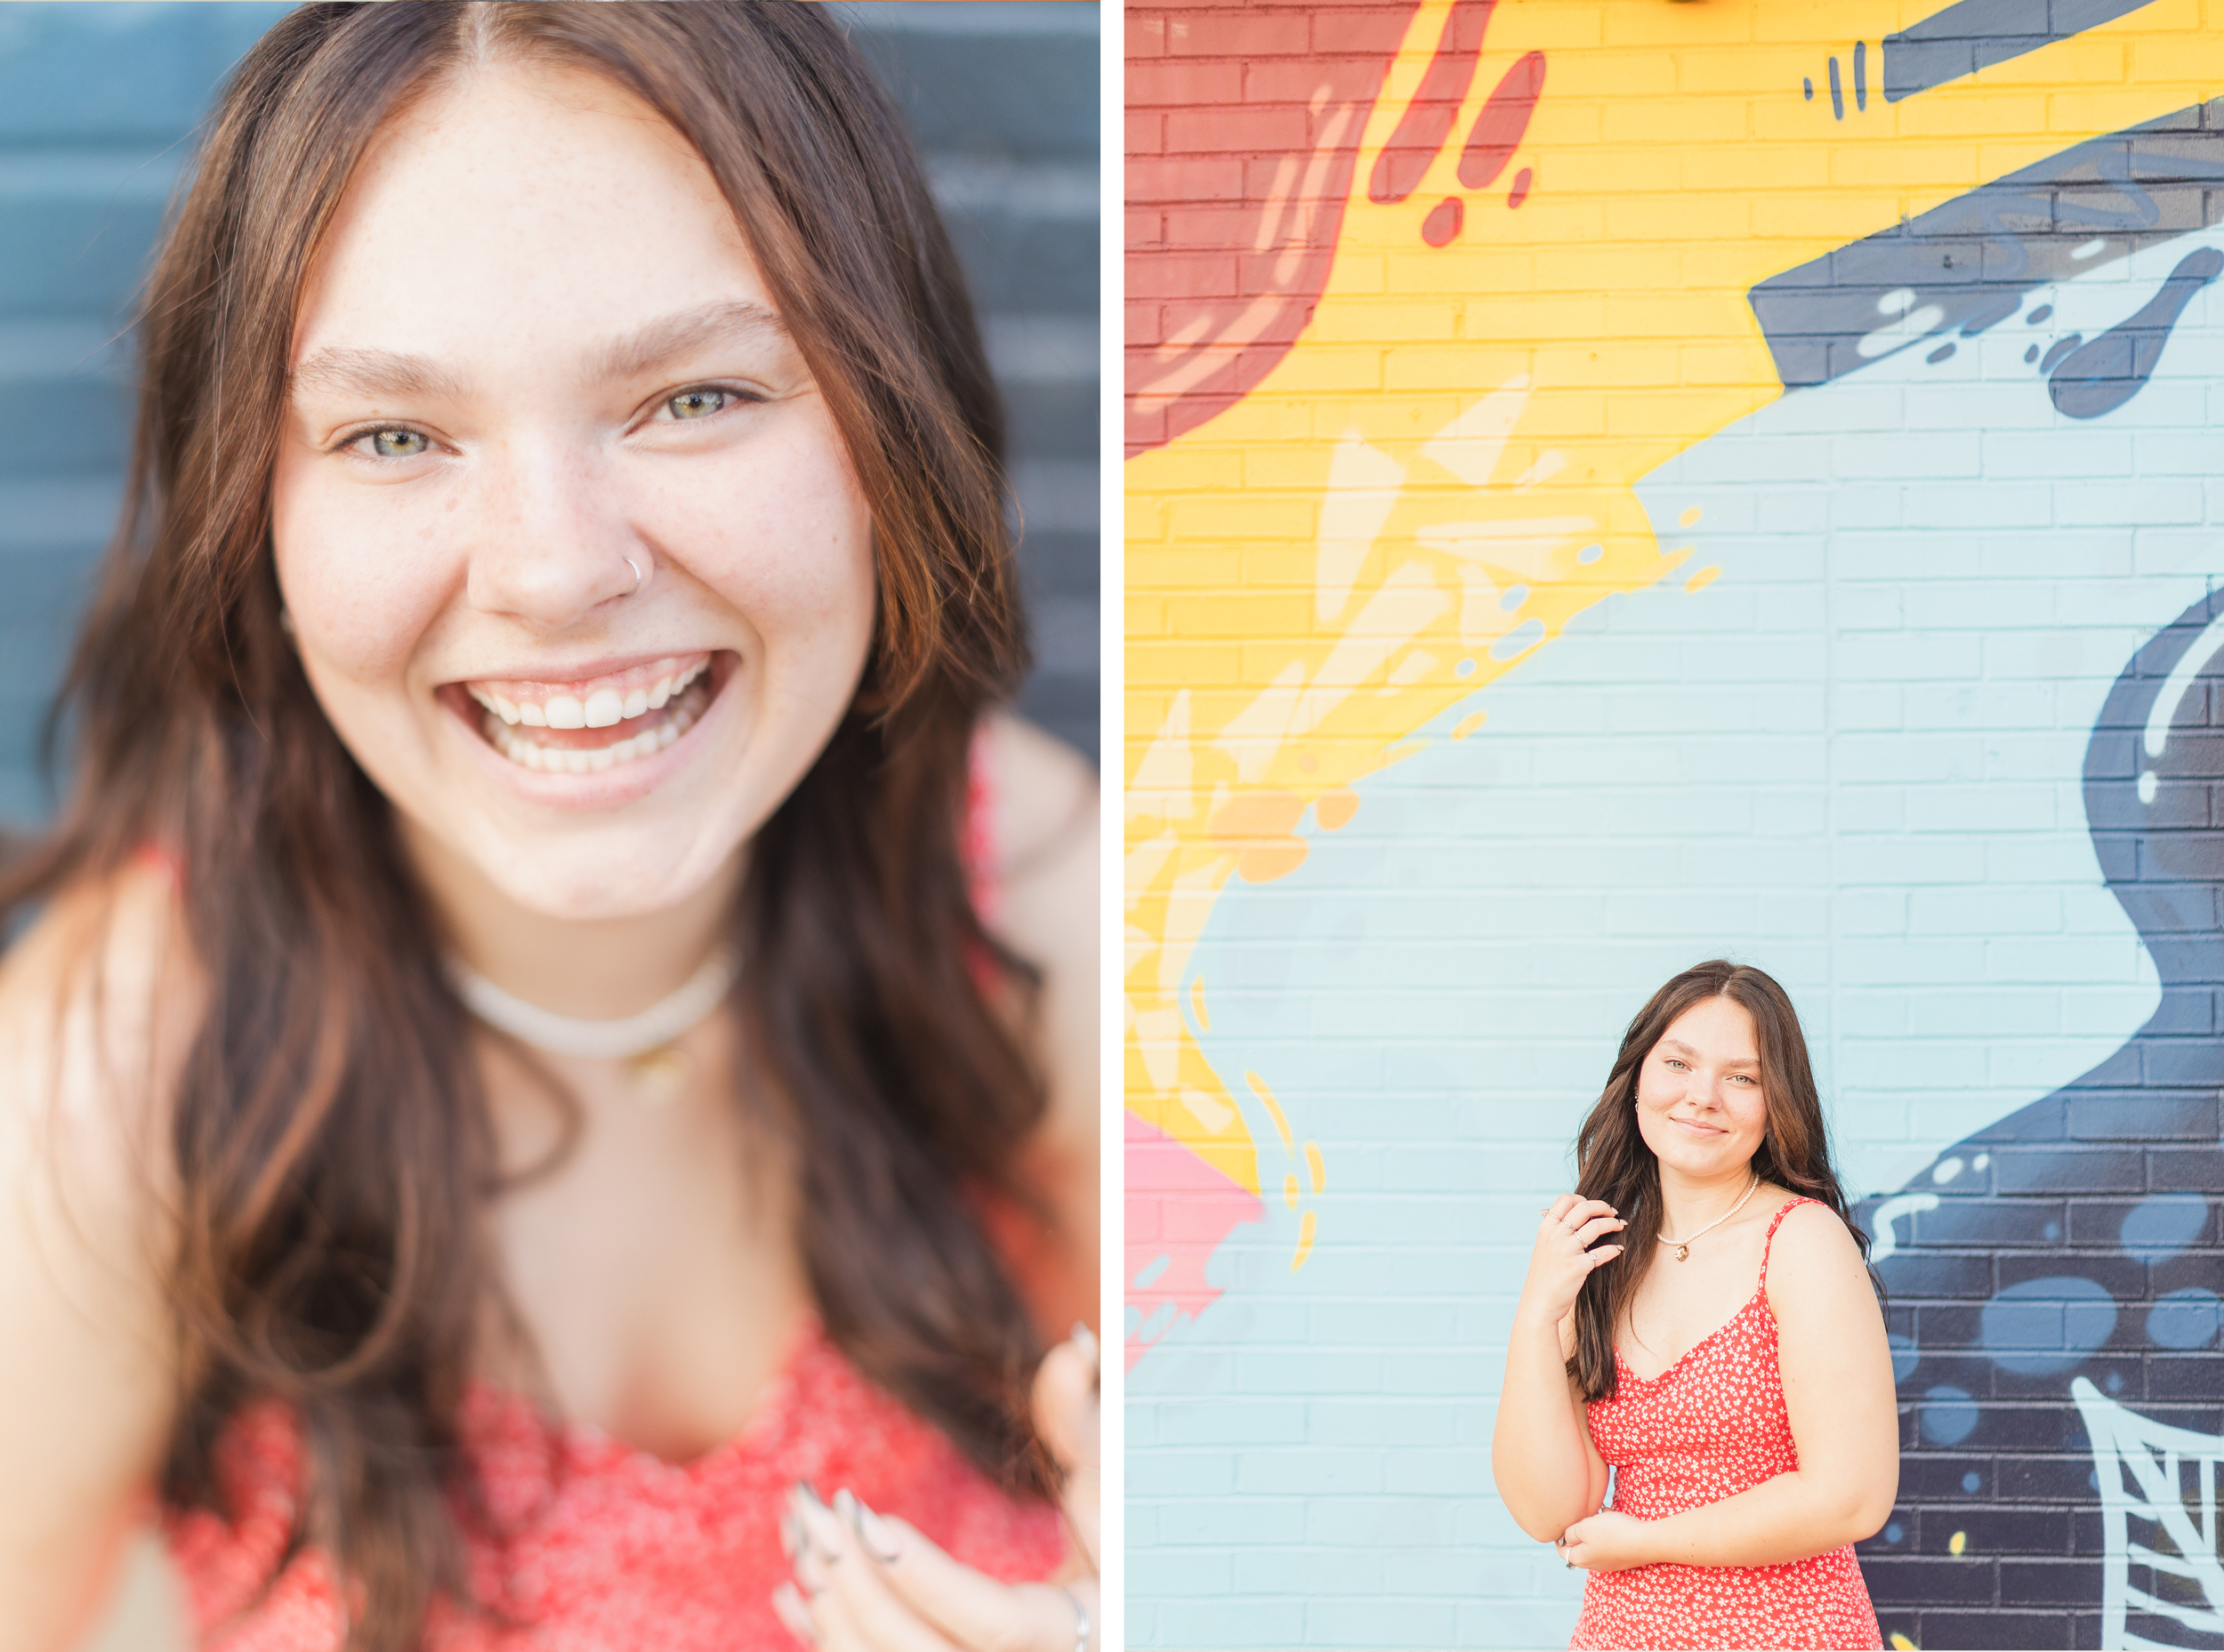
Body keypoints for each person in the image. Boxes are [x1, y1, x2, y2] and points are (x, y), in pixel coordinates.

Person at [0, 6, 1099, 1650]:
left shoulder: (1040, 890)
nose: (553, 570)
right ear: (253, 510)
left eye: (695, 397)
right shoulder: (117, 1067)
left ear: (890, 426)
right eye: (393, 434)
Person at [1492, 961, 1897, 1651]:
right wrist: (1537, 1315)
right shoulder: (1603, 1253)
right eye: (1678, 1063)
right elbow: (1549, 1510)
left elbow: (1852, 1494)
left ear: (1778, 1103)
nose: (1703, 1096)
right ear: (1638, 1077)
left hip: (1787, 1632)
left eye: (1743, 1077)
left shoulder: (1801, 1240)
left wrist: (1650, 1540)